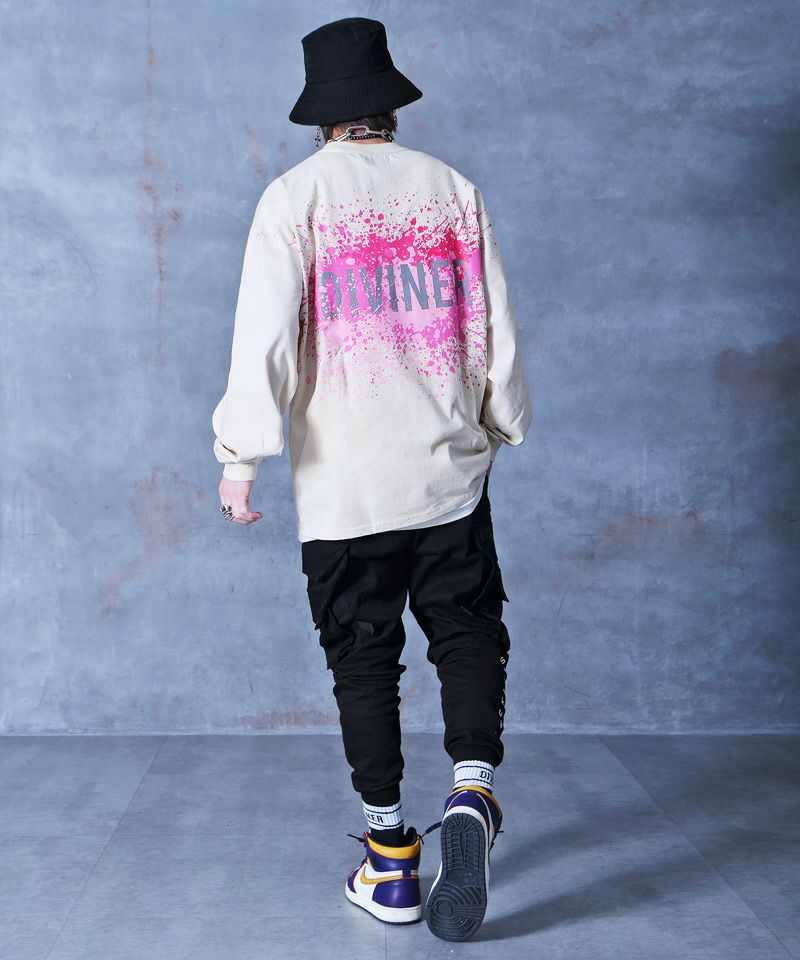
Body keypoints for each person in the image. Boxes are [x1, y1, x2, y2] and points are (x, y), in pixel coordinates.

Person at [211, 17, 533, 942]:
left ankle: (391, 861)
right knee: (466, 630)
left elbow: (265, 340)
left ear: (323, 115)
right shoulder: (451, 190)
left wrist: (241, 456)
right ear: (389, 104)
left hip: (344, 485)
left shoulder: (293, 199)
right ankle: (471, 793)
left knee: (363, 657)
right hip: (446, 471)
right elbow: (495, 326)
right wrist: (499, 422)